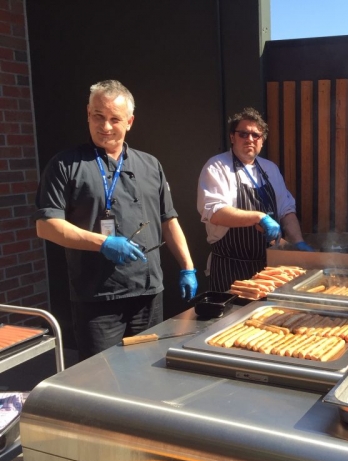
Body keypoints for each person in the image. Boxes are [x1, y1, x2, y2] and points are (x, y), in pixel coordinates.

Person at [34, 80, 198, 360]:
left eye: (114, 119)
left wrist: (187, 266)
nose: (106, 126)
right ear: (88, 113)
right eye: (98, 116)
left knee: (148, 370)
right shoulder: (65, 165)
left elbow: (168, 220)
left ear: (130, 121)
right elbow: (47, 226)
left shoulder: (150, 164)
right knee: (102, 378)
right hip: (97, 299)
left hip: (147, 294)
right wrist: (103, 243)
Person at [197, 107, 313, 291]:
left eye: (255, 135)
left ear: (262, 141)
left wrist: (298, 242)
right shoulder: (217, 166)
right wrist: (259, 217)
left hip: (269, 270)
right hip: (230, 268)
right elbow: (215, 213)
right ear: (232, 137)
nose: (249, 139)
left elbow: (286, 210)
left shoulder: (270, 169)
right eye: (243, 134)